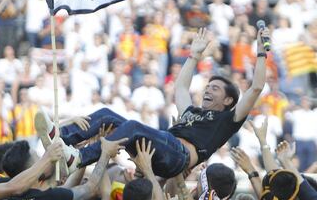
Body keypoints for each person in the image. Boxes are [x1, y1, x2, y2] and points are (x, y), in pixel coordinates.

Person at [35, 27, 269, 179]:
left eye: (215, 88)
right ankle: (60, 137)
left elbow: (256, 87)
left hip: (178, 157)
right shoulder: (192, 112)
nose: (208, 89)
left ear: (228, 100)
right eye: (208, 86)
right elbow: (180, 87)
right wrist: (194, 56)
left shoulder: (228, 120)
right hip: (160, 146)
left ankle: (79, 158)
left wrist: (260, 53)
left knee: (134, 126)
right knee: (107, 114)